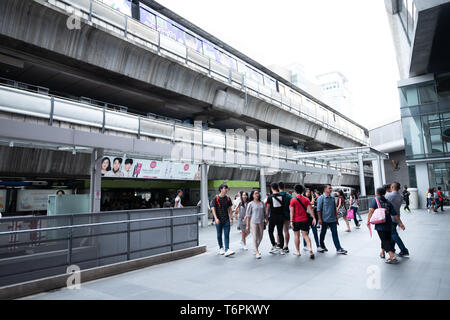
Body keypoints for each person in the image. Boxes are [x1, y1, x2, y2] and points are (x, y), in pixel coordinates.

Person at [367, 187, 405, 264]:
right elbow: (394, 214)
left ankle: (392, 257)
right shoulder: (388, 202)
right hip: (389, 223)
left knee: (385, 240)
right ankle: (382, 252)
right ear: (384, 193)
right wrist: (400, 223)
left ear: (377, 193)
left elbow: (371, 211)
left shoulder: (375, 200)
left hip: (380, 224)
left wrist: (368, 221)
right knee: (385, 239)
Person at [317, 184, 347, 254]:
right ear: (325, 189)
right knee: (323, 233)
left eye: (331, 188)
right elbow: (318, 210)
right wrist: (320, 219)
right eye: (329, 188)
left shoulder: (332, 198)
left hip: (333, 219)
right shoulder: (321, 198)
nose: (331, 189)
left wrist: (336, 218)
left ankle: (338, 248)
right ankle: (321, 245)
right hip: (324, 220)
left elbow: (334, 209)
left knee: (335, 234)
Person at [291, 184, 316, 259]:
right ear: (302, 191)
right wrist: (314, 218)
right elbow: (310, 210)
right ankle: (310, 248)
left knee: (296, 236)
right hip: (305, 220)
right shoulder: (306, 199)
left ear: (295, 191)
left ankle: (298, 252)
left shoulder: (293, 200)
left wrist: (291, 221)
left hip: (296, 220)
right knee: (306, 235)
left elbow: (291, 212)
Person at [210, 184, 235, 257]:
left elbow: (230, 209)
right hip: (218, 220)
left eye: (227, 188)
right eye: (225, 188)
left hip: (226, 219)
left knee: (227, 235)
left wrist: (231, 218)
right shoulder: (216, 198)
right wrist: (216, 218)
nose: (226, 190)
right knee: (219, 234)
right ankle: (221, 247)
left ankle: (227, 249)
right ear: (221, 189)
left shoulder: (228, 198)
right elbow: (213, 208)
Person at [386, 182, 410, 257]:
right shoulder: (400, 196)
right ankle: (392, 249)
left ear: (392, 187)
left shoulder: (389, 195)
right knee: (393, 233)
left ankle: (404, 250)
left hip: (390, 217)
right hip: (397, 217)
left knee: (394, 234)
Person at [266, 183, 286, 255]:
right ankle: (281, 249)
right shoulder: (283, 196)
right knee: (280, 232)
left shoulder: (270, 197)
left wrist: (266, 218)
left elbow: (268, 209)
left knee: (270, 231)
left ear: (271, 188)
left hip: (273, 217)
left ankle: (274, 245)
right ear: (277, 187)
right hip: (281, 216)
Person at [245, 190, 266, 259]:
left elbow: (264, 213)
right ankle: (257, 251)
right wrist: (247, 225)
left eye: (258, 193)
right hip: (253, 222)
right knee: (255, 236)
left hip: (261, 221)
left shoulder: (262, 203)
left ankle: (255, 248)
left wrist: (266, 221)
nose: (257, 194)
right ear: (252, 195)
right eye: (255, 193)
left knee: (260, 236)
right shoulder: (250, 204)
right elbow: (248, 215)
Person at [278, 182, 292, 253]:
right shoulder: (289, 195)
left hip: (278, 215)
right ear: (284, 187)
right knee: (286, 231)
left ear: (278, 187)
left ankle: (279, 245)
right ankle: (286, 246)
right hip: (287, 215)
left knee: (278, 231)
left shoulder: (276, 195)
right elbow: (291, 206)